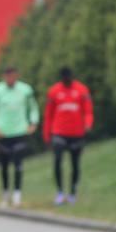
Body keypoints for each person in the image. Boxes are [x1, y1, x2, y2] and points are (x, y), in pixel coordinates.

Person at [0, 65, 40, 207]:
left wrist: (33, 122)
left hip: (20, 132)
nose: (11, 79)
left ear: (17, 75)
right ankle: (5, 194)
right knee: (4, 166)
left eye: (13, 76)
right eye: (8, 76)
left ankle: (17, 195)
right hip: (3, 133)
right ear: (4, 77)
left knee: (18, 164)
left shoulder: (25, 90)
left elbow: (33, 108)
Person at [44, 66, 94, 205]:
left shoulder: (81, 90)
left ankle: (73, 192)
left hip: (77, 133)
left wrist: (88, 124)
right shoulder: (54, 91)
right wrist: (47, 135)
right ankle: (60, 192)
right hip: (59, 132)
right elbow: (48, 115)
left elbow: (88, 111)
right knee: (58, 161)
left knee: (75, 163)